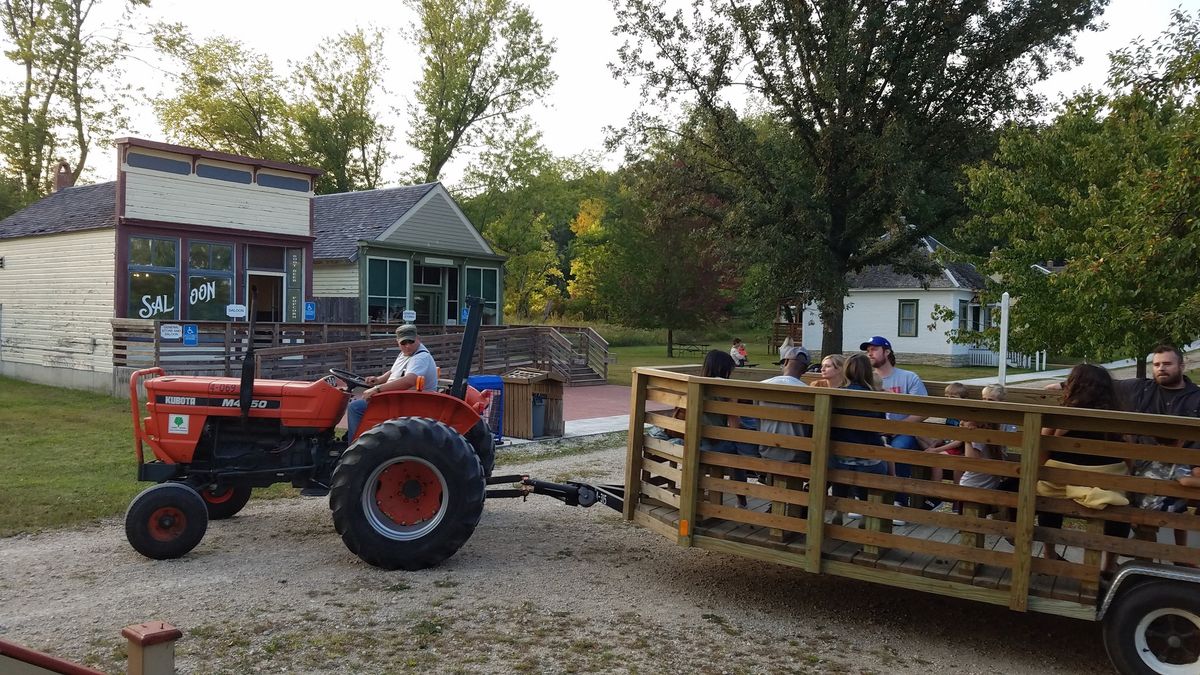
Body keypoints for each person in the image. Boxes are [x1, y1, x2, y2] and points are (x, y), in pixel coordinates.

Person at [1037, 364, 1132, 567]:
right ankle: (1109, 564)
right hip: (1107, 488)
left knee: (1047, 488)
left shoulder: (1060, 418)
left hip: (1060, 487)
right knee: (1124, 498)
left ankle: (1049, 553)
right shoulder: (1119, 422)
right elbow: (1129, 458)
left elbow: (1040, 454)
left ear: (1073, 386)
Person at [1115, 345, 1200, 548]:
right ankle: (1144, 548)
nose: (1161, 368)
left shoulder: (1196, 396)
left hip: (1185, 464)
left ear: (1181, 365)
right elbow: (1101, 384)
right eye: (1156, 364)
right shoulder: (1141, 389)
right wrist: (1063, 385)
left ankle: (1177, 556)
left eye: (1167, 364)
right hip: (1141, 466)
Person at [860, 335, 931, 509]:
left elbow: (924, 410)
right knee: (861, 447)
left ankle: (898, 500)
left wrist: (897, 428)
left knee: (899, 449)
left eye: (874, 349)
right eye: (868, 350)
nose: (870, 353)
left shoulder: (908, 377)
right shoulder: (865, 380)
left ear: (887, 352)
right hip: (875, 432)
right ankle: (864, 499)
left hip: (903, 431)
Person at [345, 324, 439, 441]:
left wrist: (377, 389)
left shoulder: (420, 357)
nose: (408, 346)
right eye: (403, 343)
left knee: (355, 407)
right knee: (359, 404)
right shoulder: (406, 354)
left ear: (418, 338)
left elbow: (409, 381)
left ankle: (353, 447)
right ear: (398, 342)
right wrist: (378, 379)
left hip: (409, 401)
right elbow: (393, 371)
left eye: (411, 341)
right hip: (399, 396)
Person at [829, 353, 890, 520]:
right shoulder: (875, 398)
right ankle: (866, 512)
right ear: (868, 373)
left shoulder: (836, 395)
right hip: (870, 461)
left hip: (840, 460)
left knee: (840, 463)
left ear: (846, 371)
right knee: (881, 464)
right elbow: (881, 428)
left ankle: (839, 510)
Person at [699, 349, 758, 507]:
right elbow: (733, 422)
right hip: (713, 445)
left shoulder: (697, 383)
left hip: (697, 441)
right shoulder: (726, 386)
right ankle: (742, 498)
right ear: (723, 368)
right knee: (738, 451)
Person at [757, 345, 811, 462]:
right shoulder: (810, 393)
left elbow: (756, 419)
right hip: (797, 454)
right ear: (805, 370)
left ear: (785, 362)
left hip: (766, 450)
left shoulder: (761, 386)